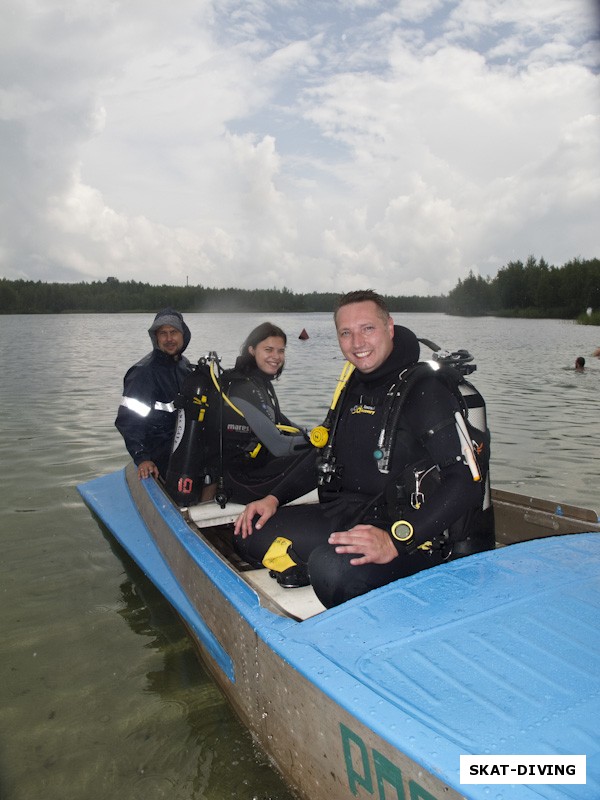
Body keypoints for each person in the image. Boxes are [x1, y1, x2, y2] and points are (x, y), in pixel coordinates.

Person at [234, 290, 495, 604]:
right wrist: (273, 499)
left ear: (389, 328)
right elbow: (324, 456)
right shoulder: (355, 385)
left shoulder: (424, 390)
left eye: (367, 329)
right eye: (346, 332)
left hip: (412, 533)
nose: (357, 343)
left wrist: (397, 540)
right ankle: (321, 565)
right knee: (246, 530)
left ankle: (332, 567)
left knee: (331, 570)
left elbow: (466, 482)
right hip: (349, 516)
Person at [214, 322, 313, 504]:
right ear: (252, 350)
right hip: (240, 481)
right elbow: (279, 445)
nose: (276, 357)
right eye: (269, 349)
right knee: (319, 461)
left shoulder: (260, 383)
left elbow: (285, 425)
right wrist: (321, 443)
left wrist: (316, 433)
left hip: (255, 469)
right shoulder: (243, 388)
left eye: (281, 351)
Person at [115, 308, 192, 480]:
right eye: (163, 333)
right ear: (155, 337)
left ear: (183, 335)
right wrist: (142, 458)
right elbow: (128, 420)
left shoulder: (185, 366)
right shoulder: (143, 373)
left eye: (173, 332)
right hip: (160, 455)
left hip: (185, 448)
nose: (169, 339)